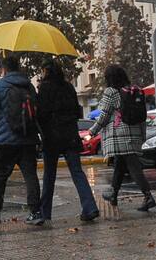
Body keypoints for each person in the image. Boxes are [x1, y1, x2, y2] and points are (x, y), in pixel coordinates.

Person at [0, 54, 43, 225]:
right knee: (30, 176)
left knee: (1, 176)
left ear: (4, 69)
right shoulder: (29, 86)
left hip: (4, 141)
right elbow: (36, 111)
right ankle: (35, 212)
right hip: (28, 140)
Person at [37, 59, 99, 222]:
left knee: (49, 175)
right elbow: (76, 111)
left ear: (47, 71)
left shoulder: (44, 88)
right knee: (77, 172)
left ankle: (45, 212)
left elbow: (41, 114)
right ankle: (90, 207)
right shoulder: (68, 87)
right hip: (70, 135)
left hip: (52, 137)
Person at [87, 64, 156, 212]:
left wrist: (92, 132)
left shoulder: (110, 92)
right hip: (134, 133)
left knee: (133, 166)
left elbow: (104, 115)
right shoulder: (131, 91)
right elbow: (142, 117)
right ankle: (113, 194)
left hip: (120, 135)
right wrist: (142, 136)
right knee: (120, 163)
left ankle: (148, 196)